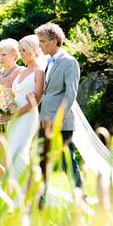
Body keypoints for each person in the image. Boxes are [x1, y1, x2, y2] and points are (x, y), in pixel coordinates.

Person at [36, 23, 83, 203]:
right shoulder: (48, 61)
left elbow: (70, 93)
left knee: (67, 160)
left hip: (61, 121)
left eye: (43, 42)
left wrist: (57, 119)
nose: (40, 45)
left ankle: (79, 196)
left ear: (55, 41)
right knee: (43, 160)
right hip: (44, 119)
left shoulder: (70, 62)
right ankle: (41, 198)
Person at [0, 35, 45, 188]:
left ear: (34, 50)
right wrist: (3, 107)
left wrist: (15, 114)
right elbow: (13, 95)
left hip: (27, 117)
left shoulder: (39, 72)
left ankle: (38, 188)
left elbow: (36, 99)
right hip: (14, 118)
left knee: (16, 154)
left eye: (24, 50)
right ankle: (25, 192)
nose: (21, 54)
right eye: (20, 50)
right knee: (11, 155)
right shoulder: (21, 72)